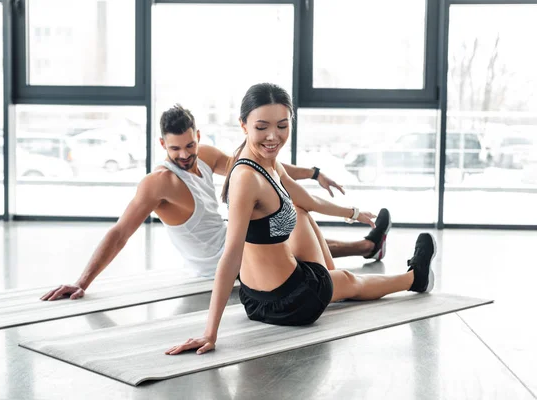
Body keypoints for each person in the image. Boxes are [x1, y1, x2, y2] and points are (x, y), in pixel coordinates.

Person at [165, 83, 436, 356]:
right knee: (351, 281)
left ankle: (338, 276)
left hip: (256, 296)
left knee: (300, 210)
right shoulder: (246, 178)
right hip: (290, 301)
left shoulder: (266, 162)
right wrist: (209, 334)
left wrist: (352, 213)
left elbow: (308, 200)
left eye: (282, 126)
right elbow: (231, 255)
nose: (273, 136)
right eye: (262, 127)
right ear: (244, 125)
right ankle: (416, 278)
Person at [40, 105, 392, 301]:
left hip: (231, 241)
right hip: (215, 263)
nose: (184, 155)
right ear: (163, 145)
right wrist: (82, 282)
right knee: (281, 230)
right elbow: (120, 233)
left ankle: (364, 248)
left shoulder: (205, 157)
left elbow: (262, 168)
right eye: (175, 149)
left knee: (285, 218)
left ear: (198, 138)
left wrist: (313, 173)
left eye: (189, 146)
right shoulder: (157, 184)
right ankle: (363, 250)